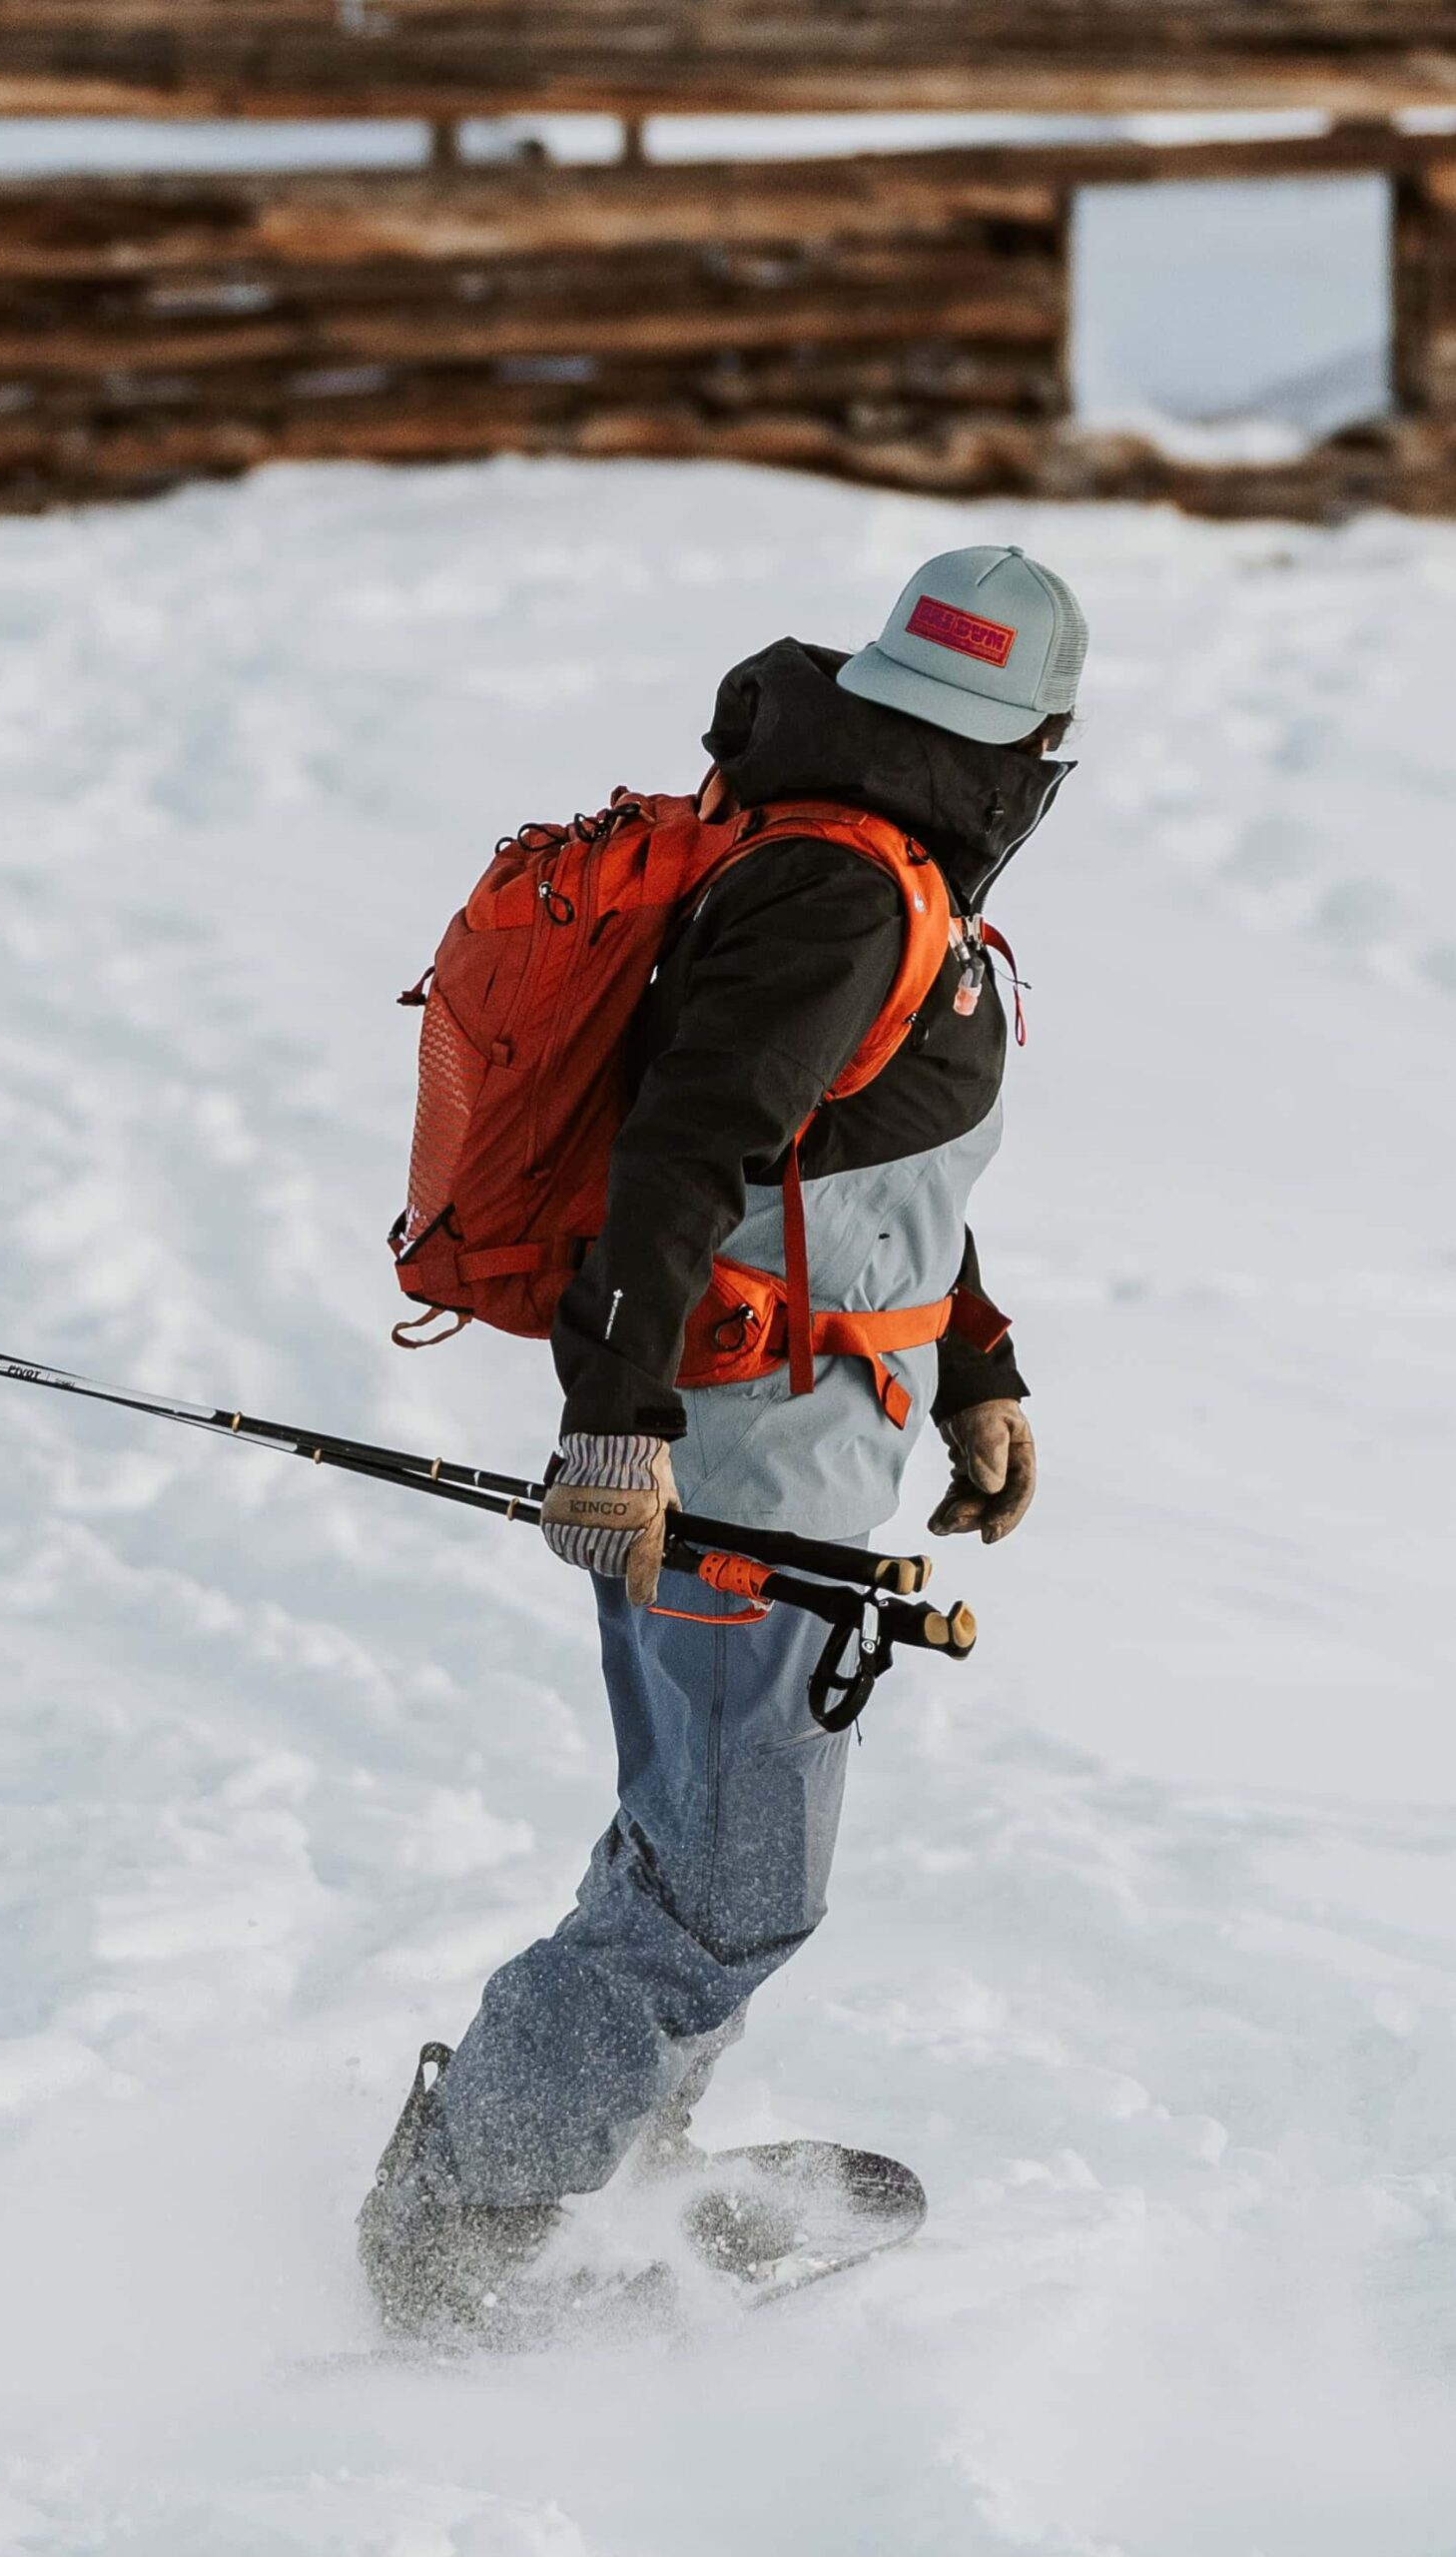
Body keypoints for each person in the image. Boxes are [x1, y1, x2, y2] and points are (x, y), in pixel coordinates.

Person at [360, 545, 1083, 2334]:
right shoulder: (841, 892)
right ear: (1028, 739)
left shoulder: (864, 869)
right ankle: (461, 2226)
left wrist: (974, 1363)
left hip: (792, 1455)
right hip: (730, 1468)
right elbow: (681, 1154)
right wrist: (613, 1427)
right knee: (729, 1895)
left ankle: (592, 2147)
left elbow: (860, 1159)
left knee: (687, 1845)